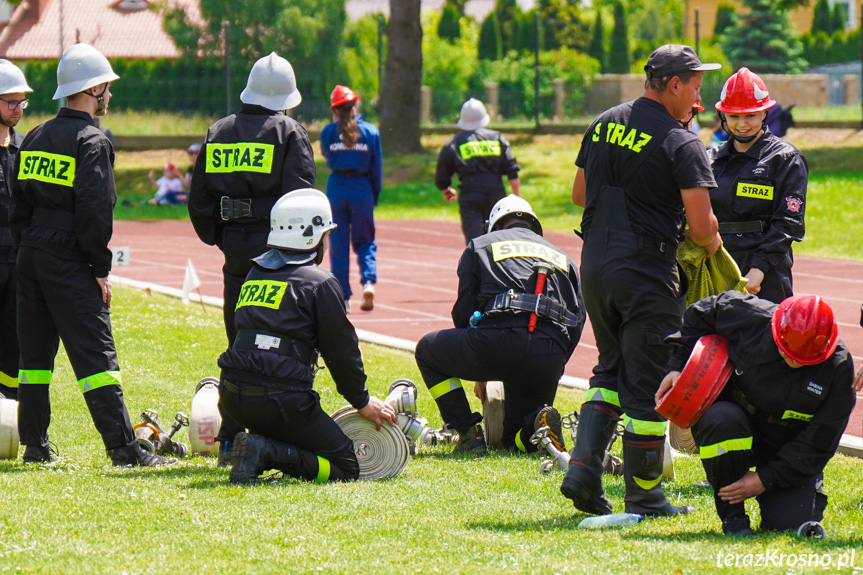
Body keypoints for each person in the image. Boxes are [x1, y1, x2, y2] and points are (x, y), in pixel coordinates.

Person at [560, 44, 721, 517]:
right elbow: (701, 228)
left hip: (595, 266)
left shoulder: (604, 121)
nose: (698, 96)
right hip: (646, 272)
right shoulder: (681, 141)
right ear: (673, 84)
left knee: (609, 371)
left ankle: (583, 474)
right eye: (694, 85)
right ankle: (646, 496)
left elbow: (578, 194)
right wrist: (715, 252)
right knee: (650, 381)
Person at [9, 43, 175, 466]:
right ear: (95, 88)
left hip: (29, 256)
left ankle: (34, 445)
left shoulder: (37, 135)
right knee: (97, 358)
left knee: (34, 359)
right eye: (108, 88)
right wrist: (100, 269)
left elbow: (19, 204)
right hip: (69, 259)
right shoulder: (92, 141)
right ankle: (123, 449)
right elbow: (95, 214)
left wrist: (31, 245)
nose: (111, 96)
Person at [188, 52, 316, 464]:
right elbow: (302, 199)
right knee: (285, 342)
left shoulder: (218, 131)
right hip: (280, 251)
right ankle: (285, 428)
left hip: (237, 253)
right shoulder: (289, 132)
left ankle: (230, 438)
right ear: (285, 96)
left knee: (239, 339)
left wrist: (222, 238)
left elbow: (199, 199)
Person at [220, 189, 397, 484]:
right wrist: (361, 400)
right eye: (325, 234)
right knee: (346, 468)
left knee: (303, 440)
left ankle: (261, 447)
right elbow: (341, 351)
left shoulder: (255, 273)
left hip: (233, 397)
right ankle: (263, 451)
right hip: (280, 400)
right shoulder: (319, 282)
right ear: (311, 236)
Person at [657, 292, 856, 535]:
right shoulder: (749, 315)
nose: (792, 362)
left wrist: (765, 479)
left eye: (802, 360)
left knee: (787, 526)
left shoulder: (839, 367)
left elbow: (819, 441)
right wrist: (677, 365)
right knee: (720, 420)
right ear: (777, 329)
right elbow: (699, 313)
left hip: (786, 443)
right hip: (735, 420)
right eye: (786, 352)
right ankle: (734, 520)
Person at [415, 196, 585, 454]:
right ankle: (536, 426)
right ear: (535, 226)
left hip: (494, 343)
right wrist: (555, 364)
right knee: (515, 440)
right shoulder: (565, 257)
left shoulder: (480, 245)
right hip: (548, 354)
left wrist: (480, 367)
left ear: (494, 226)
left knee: (427, 350)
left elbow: (464, 312)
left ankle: (468, 433)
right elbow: (578, 319)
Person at [708, 68, 808, 303]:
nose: (742, 124)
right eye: (733, 117)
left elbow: (789, 223)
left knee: (763, 338)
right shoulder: (709, 159)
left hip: (766, 273)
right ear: (723, 116)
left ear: (764, 113)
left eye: (750, 116)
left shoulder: (785, 159)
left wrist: (758, 270)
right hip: (717, 265)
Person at [320, 85, 383, 313]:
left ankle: (343, 298)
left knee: (338, 245)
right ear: (355, 105)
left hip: (337, 188)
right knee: (365, 241)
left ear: (334, 109)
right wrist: (373, 196)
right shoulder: (371, 132)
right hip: (362, 188)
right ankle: (368, 281)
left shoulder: (328, 132)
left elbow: (328, 155)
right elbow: (377, 169)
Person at [435, 98, 521, 244]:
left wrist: (446, 190)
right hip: (496, 194)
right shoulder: (498, 138)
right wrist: (517, 199)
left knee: (475, 243)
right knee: (498, 240)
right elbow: (512, 171)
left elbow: (442, 175)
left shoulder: (455, 142)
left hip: (470, 195)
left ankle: (476, 265)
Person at [0, 60, 32, 400]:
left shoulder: (28, 148)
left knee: (16, 342)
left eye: (22, 103)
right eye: (11, 102)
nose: (18, 109)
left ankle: (8, 411)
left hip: (20, 263)